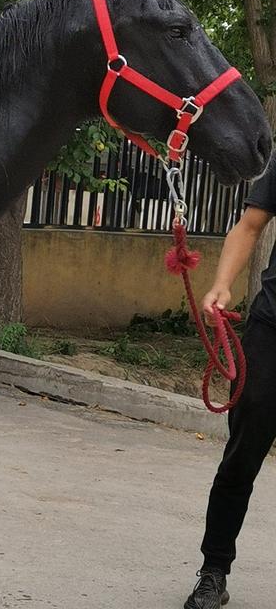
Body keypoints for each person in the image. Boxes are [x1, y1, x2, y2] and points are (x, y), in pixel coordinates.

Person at [184, 153, 276, 609]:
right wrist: (222, 282)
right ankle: (213, 571)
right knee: (241, 458)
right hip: (272, 332)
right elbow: (250, 225)